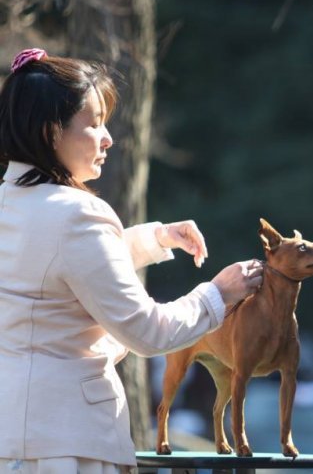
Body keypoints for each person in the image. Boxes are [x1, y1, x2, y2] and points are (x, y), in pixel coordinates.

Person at [0, 48, 263, 473]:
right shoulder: (77, 214)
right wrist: (218, 294)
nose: (107, 138)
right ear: (51, 132)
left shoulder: (9, 204)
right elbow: (147, 332)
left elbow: (54, 272)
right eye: (95, 124)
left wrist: (154, 239)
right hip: (70, 446)